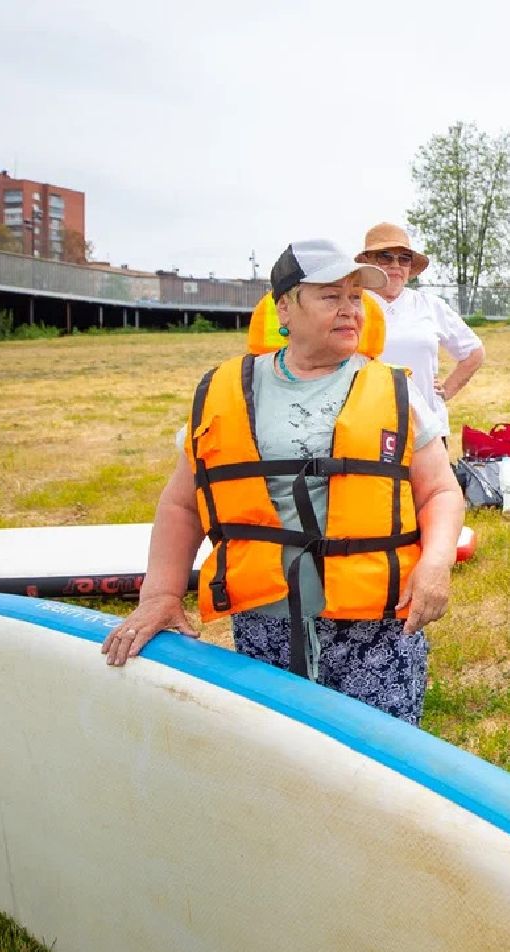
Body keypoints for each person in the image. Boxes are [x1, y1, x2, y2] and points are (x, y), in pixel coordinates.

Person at [102, 239, 465, 726]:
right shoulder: (225, 393)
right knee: (281, 772)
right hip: (264, 627)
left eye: (355, 297)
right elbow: (181, 505)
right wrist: (162, 595)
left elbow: (440, 491)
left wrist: (436, 563)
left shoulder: (398, 393)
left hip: (376, 633)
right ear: (285, 308)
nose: (349, 311)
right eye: (330, 297)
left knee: (376, 777)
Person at [357, 222, 486, 442]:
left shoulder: (430, 305)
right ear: (368, 262)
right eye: (385, 257)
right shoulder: (353, 304)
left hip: (426, 429)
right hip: (366, 428)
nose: (395, 265)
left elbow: (474, 352)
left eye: (404, 258)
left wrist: (446, 390)